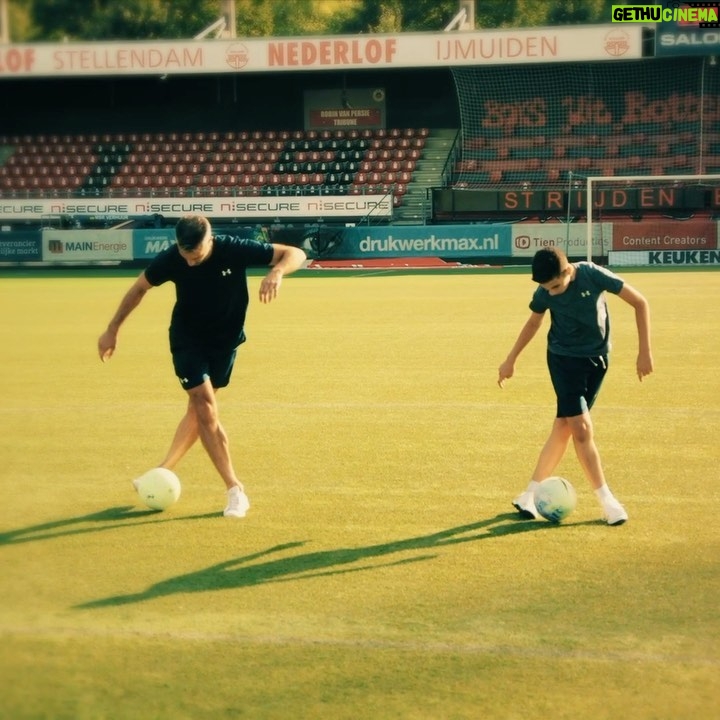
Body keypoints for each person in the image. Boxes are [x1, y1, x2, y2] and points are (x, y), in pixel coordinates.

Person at [97, 214, 307, 518]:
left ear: (209, 240)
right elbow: (139, 287)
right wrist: (112, 328)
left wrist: (277, 272)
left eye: (195, 255)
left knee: (198, 412)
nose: (190, 262)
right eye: (185, 255)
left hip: (225, 342)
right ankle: (235, 489)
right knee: (204, 405)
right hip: (187, 340)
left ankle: (160, 471)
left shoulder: (234, 248)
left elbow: (295, 253)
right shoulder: (172, 258)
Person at [497, 247, 653, 525]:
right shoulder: (544, 292)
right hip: (563, 360)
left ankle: (529, 495)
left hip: (598, 360)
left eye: (556, 286)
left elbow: (640, 302)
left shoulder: (592, 275)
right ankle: (608, 502)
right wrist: (511, 359)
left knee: (564, 427)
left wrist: (644, 351)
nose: (552, 293)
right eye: (547, 288)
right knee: (581, 429)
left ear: (568, 271)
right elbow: (534, 322)